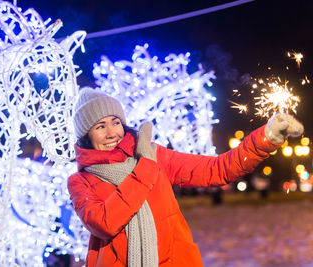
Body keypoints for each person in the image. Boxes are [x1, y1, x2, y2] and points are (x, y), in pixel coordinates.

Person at [67, 88, 304, 267]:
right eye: (100, 126)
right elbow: (104, 223)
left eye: (116, 122)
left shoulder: (153, 154)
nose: (112, 133)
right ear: (86, 136)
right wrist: (145, 167)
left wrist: (266, 138)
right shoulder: (81, 181)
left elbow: (218, 169)